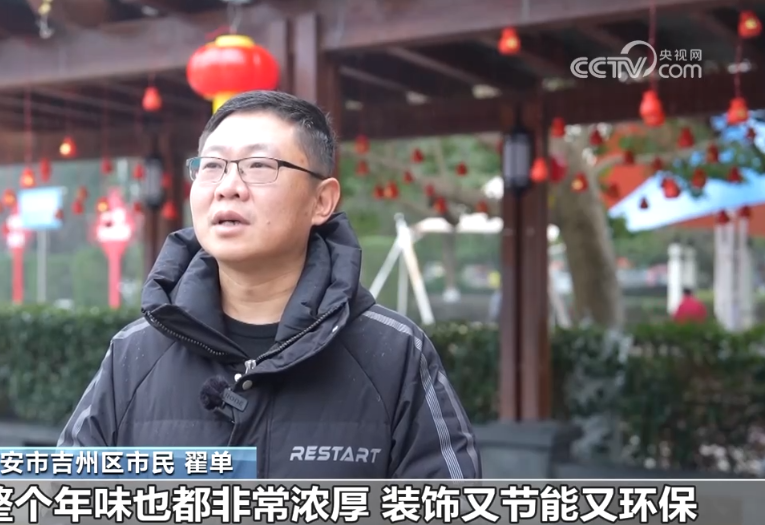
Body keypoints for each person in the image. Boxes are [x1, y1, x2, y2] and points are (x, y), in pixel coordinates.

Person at [58, 90, 479, 479]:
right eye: (212, 166)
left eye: (259, 166)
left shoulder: (395, 354)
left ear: (321, 201)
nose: (228, 187)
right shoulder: (133, 355)